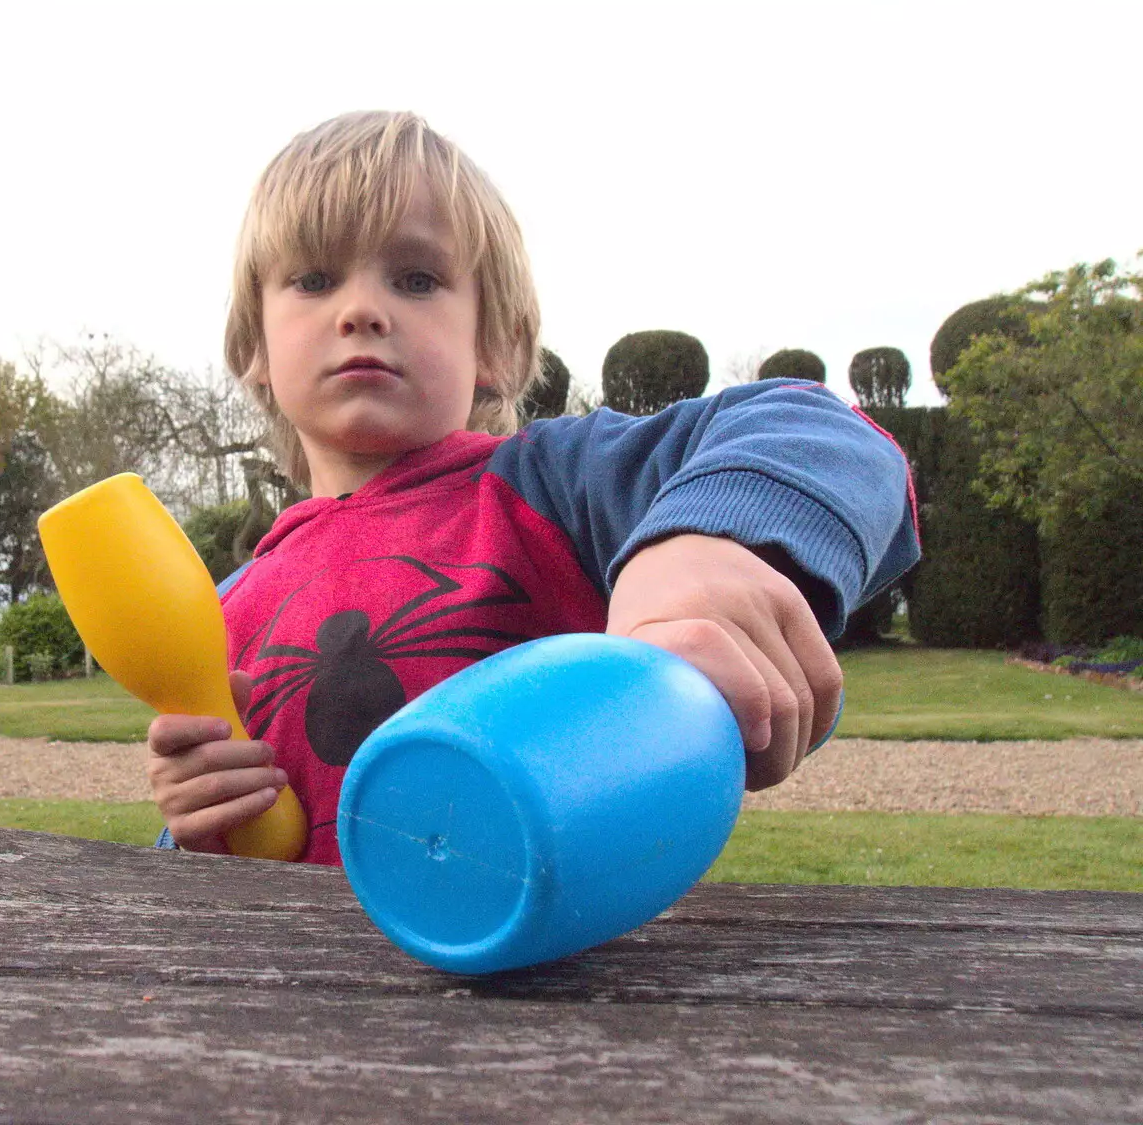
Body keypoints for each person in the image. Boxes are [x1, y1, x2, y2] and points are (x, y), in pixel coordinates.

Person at [147, 111, 920, 866]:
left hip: (558, 982)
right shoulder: (223, 607)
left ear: (498, 343)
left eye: (417, 279)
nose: (360, 311)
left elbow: (823, 431)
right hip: (301, 986)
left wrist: (699, 552)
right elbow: (225, 865)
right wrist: (198, 822)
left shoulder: (554, 480)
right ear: (255, 346)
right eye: (312, 280)